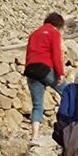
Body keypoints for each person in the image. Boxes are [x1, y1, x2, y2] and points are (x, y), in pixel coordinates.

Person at [23, 12, 66, 143]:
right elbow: (56, 55)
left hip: (31, 70)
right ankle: (73, 122)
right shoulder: (54, 33)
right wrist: (60, 73)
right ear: (58, 25)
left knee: (37, 104)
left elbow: (29, 54)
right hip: (45, 68)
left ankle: (34, 136)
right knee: (68, 92)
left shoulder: (34, 34)